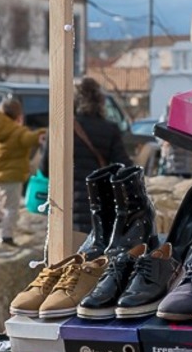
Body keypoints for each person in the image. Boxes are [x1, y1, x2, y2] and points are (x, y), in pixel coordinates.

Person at [40, 77, 131, 235]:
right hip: (99, 200)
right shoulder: (110, 129)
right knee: (95, 244)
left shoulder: (60, 127)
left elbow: (46, 169)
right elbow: (124, 167)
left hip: (65, 203)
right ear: (100, 101)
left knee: (68, 247)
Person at [0, 98, 46, 246]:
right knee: (11, 208)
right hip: (10, 177)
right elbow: (29, 138)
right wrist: (42, 133)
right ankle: (6, 236)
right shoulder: (17, 131)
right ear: (19, 116)